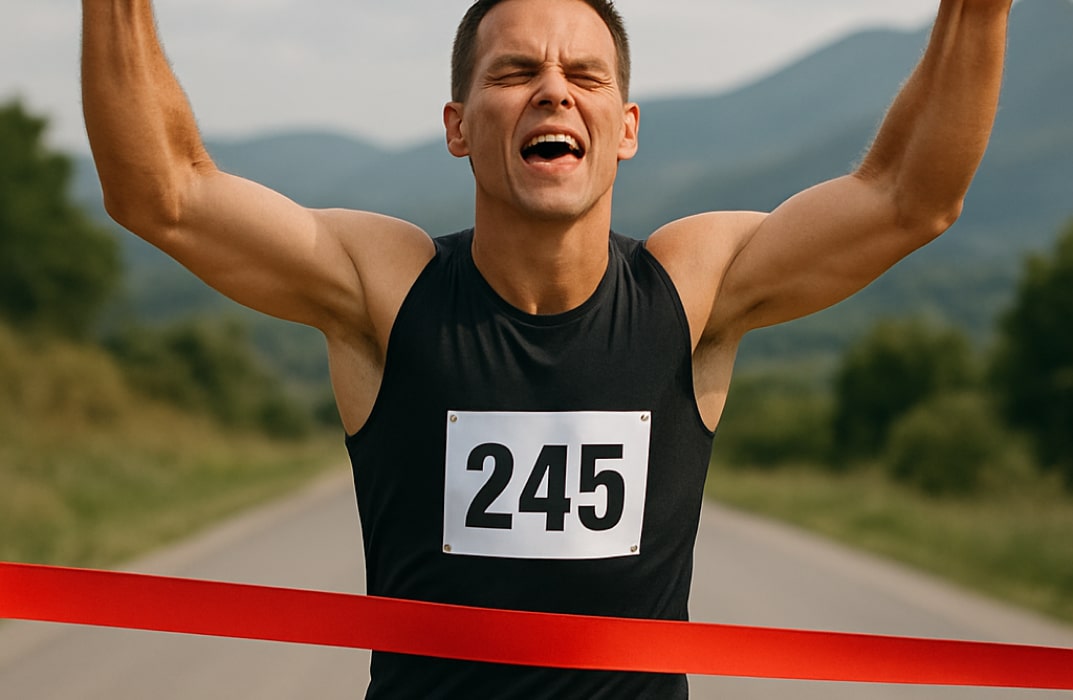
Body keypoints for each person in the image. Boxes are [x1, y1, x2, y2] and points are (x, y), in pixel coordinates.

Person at [81, 0, 1012, 696]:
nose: (553, 88)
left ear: (625, 128)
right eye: (514, 70)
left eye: (585, 75)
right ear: (456, 125)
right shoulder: (387, 286)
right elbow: (160, 193)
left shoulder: (689, 289)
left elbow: (906, 197)